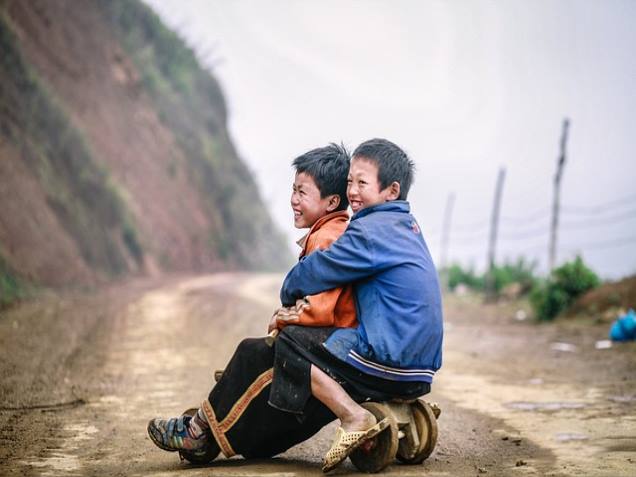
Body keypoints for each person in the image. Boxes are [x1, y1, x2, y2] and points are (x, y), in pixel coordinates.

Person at [147, 143, 357, 462]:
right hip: (331, 340)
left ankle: (196, 432)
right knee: (257, 355)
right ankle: (209, 423)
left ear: (331, 201)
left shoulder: (327, 238)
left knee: (251, 353)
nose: (293, 200)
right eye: (293, 190)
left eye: (302, 192)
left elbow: (322, 308)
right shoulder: (333, 232)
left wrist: (283, 317)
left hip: (331, 343)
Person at [277, 138, 443, 472]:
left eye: (362, 183)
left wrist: (288, 290)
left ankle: (354, 417)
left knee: (292, 341)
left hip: (389, 361)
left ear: (391, 191)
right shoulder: (407, 226)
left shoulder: (369, 230)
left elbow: (319, 269)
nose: (352, 191)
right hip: (422, 370)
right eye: (350, 181)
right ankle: (398, 405)